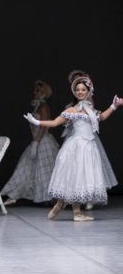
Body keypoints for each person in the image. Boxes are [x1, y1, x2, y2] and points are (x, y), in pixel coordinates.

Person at [24, 76, 121, 221]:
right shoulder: (72, 110)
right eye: (77, 90)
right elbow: (55, 122)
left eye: (83, 89)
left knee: (81, 178)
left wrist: (114, 106)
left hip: (89, 147)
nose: (80, 92)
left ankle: (61, 204)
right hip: (77, 147)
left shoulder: (90, 110)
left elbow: (101, 117)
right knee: (75, 176)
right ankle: (74, 212)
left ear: (89, 91)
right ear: (74, 92)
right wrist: (37, 122)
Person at [1, 80, 60, 205]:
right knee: (26, 168)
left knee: (45, 170)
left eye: (37, 91)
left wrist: (36, 142)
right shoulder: (38, 106)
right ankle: (14, 195)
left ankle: (49, 197)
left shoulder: (43, 107)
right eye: (35, 90)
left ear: (43, 93)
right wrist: (34, 142)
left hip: (43, 142)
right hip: (37, 140)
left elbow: (43, 126)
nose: (34, 92)